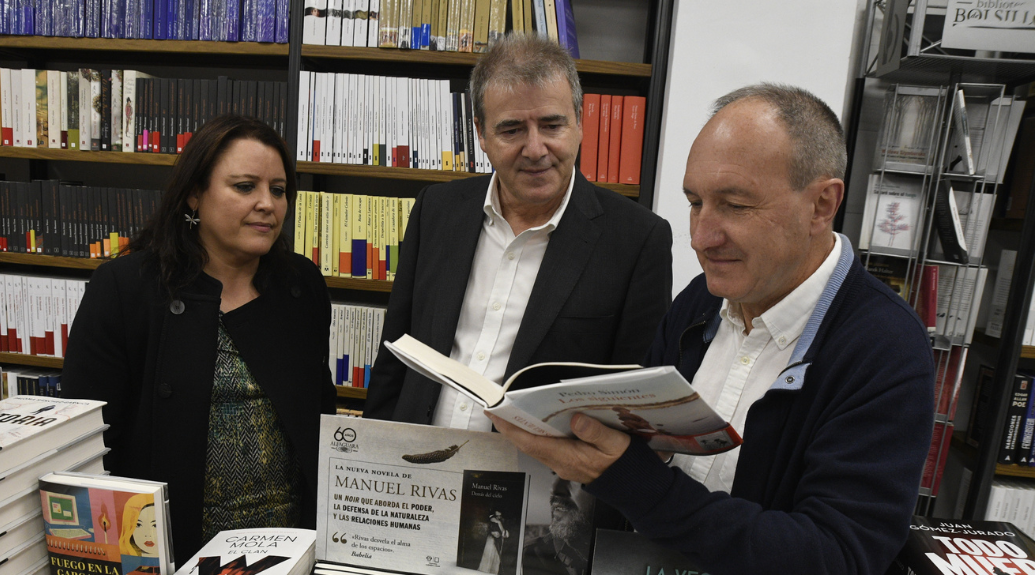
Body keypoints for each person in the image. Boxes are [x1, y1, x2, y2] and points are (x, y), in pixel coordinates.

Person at [490, 84, 935, 574]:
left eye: (736, 205)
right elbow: (650, 443)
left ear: (822, 205)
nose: (701, 237)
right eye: (695, 202)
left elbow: (835, 555)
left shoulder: (885, 347)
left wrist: (629, 478)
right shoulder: (702, 301)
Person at [62, 115, 337, 563]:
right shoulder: (126, 288)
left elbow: (319, 418)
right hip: (174, 546)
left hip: (290, 546)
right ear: (195, 193)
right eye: (245, 187)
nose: (268, 204)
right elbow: (87, 443)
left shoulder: (301, 284)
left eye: (279, 190)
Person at [363, 32, 672, 428]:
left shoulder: (638, 241)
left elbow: (632, 402)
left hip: (536, 478)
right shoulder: (436, 210)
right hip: (418, 470)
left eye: (551, 125)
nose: (535, 149)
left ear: (579, 123)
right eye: (511, 130)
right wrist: (375, 449)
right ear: (481, 134)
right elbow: (396, 353)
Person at [522, 478, 594, 575]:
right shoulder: (527, 556)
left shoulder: (618, 555)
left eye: (574, 474)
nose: (554, 489)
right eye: (554, 473)